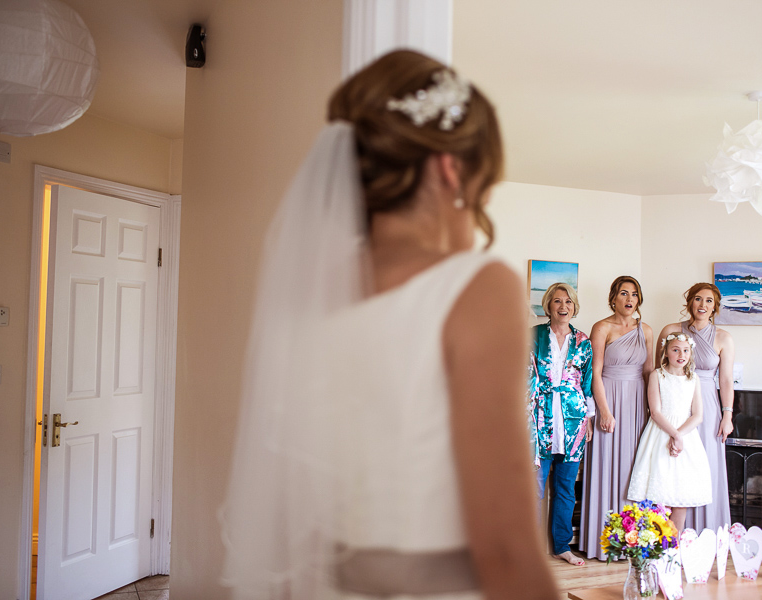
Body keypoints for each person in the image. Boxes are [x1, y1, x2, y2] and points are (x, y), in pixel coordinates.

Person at [219, 50, 559, 600]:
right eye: (482, 185)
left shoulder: (311, 292)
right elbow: (505, 548)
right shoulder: (479, 288)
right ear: (450, 168)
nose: (480, 203)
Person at [580, 275, 654, 560]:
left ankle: (634, 540)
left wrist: (652, 411)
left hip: (636, 403)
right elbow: (595, 372)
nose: (629, 299)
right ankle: (603, 540)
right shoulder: (601, 327)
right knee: (606, 464)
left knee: (634, 468)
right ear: (613, 298)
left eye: (634, 294)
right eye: (624, 293)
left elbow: (648, 373)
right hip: (608, 398)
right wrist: (604, 410)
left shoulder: (646, 330)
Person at [657, 283, 734, 531]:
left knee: (706, 464)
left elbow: (726, 380)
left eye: (709, 301)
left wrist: (727, 415)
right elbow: (657, 371)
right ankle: (670, 534)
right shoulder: (670, 330)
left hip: (707, 405)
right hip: (675, 403)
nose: (703, 305)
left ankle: (707, 531)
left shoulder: (724, 338)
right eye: (698, 299)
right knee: (673, 462)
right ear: (690, 302)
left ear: (715, 307)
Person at [528, 283, 594, 566]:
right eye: (557, 301)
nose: (563, 306)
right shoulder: (534, 335)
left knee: (566, 488)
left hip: (573, 420)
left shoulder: (583, 341)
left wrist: (588, 419)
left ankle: (561, 546)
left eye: (568, 301)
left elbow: (587, 382)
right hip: (538, 418)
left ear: (574, 307)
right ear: (548, 306)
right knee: (534, 487)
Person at [627, 333, 713, 532]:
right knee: (659, 492)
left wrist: (680, 435)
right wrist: (675, 435)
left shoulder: (694, 379)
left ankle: (675, 543)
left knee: (681, 495)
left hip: (687, 436)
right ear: (665, 352)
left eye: (686, 350)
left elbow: (698, 415)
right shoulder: (657, 375)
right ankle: (655, 542)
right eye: (675, 350)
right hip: (660, 434)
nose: (681, 355)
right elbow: (655, 412)